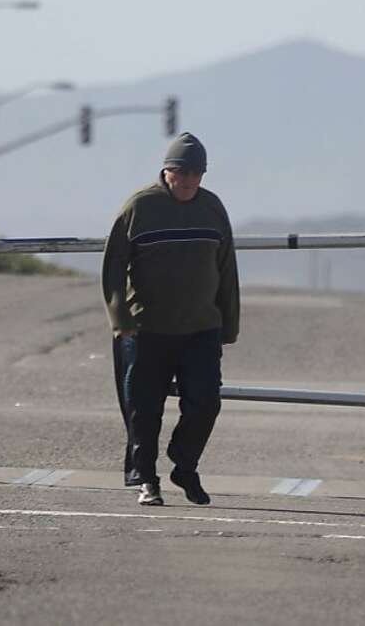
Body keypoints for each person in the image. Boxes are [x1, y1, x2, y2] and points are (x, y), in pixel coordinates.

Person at [102, 132, 240, 506]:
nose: (189, 181)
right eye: (183, 173)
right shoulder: (140, 208)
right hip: (149, 329)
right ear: (167, 172)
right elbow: (114, 265)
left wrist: (229, 324)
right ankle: (147, 478)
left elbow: (226, 268)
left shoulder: (212, 209)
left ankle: (185, 464)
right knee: (144, 408)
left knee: (206, 401)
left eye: (197, 174)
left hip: (201, 328)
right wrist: (121, 318)